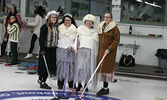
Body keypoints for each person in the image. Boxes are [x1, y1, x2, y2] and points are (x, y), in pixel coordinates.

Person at [96, 12, 120, 95]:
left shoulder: (115, 28)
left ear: (111, 18)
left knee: (106, 70)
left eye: (108, 17)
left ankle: (106, 88)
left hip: (109, 53)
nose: (106, 18)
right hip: (101, 51)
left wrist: (109, 49)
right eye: (105, 17)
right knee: (102, 70)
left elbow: (116, 40)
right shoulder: (101, 26)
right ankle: (103, 87)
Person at [74, 14, 99, 92]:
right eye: (87, 21)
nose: (88, 23)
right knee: (80, 68)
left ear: (93, 23)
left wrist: (95, 54)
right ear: (84, 21)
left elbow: (96, 44)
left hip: (90, 52)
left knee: (87, 69)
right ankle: (79, 84)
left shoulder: (95, 32)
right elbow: (76, 40)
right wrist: (75, 48)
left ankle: (86, 84)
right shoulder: (80, 29)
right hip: (81, 50)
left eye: (90, 21)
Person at [38, 10, 59, 89]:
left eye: (55, 17)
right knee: (44, 66)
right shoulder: (45, 27)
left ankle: (40, 80)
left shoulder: (56, 27)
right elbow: (41, 39)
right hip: (46, 49)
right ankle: (43, 81)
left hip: (53, 49)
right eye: (52, 17)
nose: (54, 18)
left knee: (49, 66)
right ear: (49, 18)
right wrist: (42, 48)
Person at [56, 13, 77, 89]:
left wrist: (72, 46)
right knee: (61, 67)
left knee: (70, 67)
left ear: (71, 20)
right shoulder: (59, 28)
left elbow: (76, 41)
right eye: (65, 20)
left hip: (70, 50)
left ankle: (71, 83)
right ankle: (60, 83)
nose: (67, 21)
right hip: (61, 49)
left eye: (69, 20)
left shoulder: (75, 29)